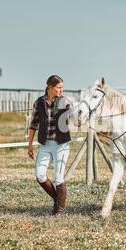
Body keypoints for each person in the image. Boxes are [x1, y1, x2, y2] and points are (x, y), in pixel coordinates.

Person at [27, 74, 75, 215]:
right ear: (49, 87)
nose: (61, 90)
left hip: (61, 144)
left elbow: (73, 117)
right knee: (40, 174)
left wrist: (78, 120)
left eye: (62, 88)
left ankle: (59, 210)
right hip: (45, 145)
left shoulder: (65, 101)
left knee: (58, 177)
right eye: (59, 87)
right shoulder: (39, 103)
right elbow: (33, 125)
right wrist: (29, 145)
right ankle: (58, 201)